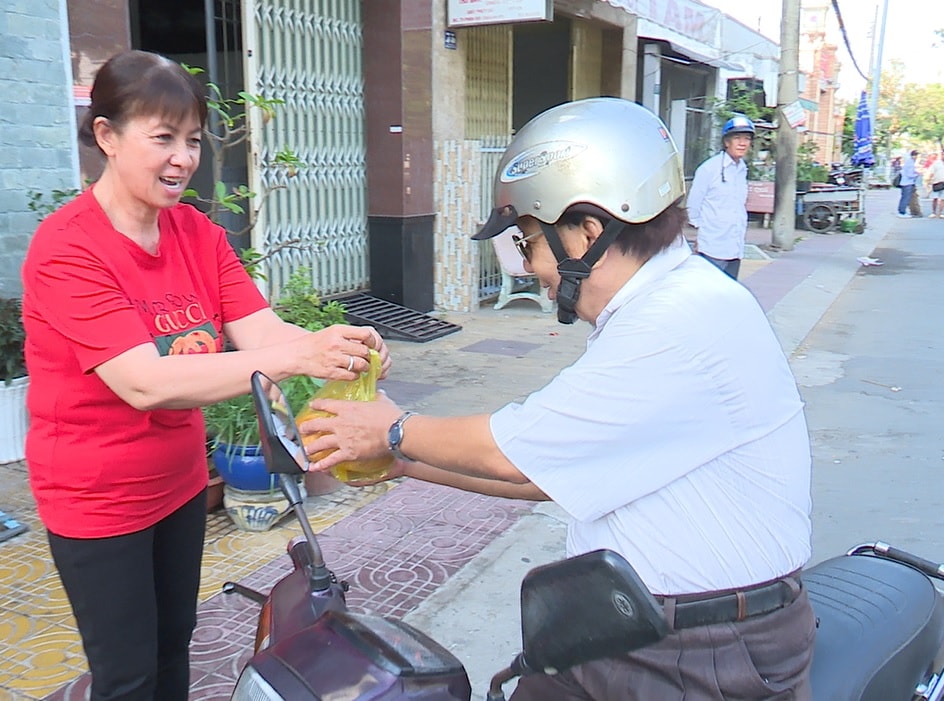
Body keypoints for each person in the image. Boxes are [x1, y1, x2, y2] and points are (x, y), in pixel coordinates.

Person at [300, 98, 815, 701]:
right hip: (645, 631)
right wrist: (408, 463)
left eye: (528, 245)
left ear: (588, 233)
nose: (527, 270)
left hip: (699, 658)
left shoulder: (677, 320)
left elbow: (513, 453)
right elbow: (547, 473)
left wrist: (393, 430)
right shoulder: (668, 303)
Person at [20, 50, 390, 701]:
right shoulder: (67, 248)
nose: (183, 158)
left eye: (191, 140)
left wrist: (331, 346)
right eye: (162, 138)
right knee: (127, 674)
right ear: (106, 135)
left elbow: (263, 332)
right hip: (97, 498)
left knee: (173, 648)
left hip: (179, 481)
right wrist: (295, 357)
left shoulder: (196, 232)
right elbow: (143, 381)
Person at [685, 113, 755, 279]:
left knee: (728, 293)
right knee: (709, 293)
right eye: (737, 138)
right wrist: (700, 233)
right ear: (726, 142)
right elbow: (693, 204)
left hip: (735, 247)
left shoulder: (742, 169)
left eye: (747, 138)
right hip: (712, 247)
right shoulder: (710, 169)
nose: (742, 143)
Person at [926, 149, 944, 218]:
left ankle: (941, 213)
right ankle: (933, 212)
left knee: (943, 199)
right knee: (935, 198)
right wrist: (929, 181)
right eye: (943, 154)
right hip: (936, 182)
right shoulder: (936, 163)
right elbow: (932, 172)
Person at [897, 149, 922, 218]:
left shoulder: (909, 162)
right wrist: (917, 174)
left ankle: (902, 211)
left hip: (906, 182)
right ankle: (902, 212)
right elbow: (909, 175)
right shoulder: (910, 163)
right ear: (914, 156)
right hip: (907, 183)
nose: (918, 158)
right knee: (906, 198)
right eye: (917, 156)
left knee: (904, 197)